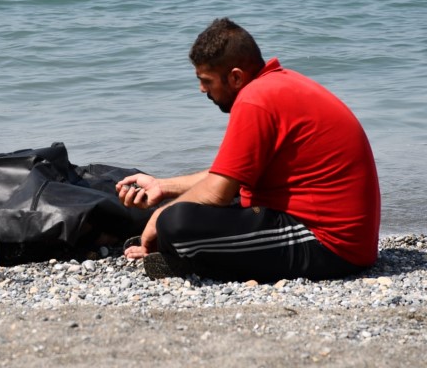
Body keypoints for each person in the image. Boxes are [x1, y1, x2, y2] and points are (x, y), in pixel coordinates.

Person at [116, 18, 380, 282]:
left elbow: (217, 193)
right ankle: (193, 255)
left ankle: (196, 264)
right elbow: (228, 175)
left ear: (235, 77)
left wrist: (161, 215)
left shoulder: (255, 100)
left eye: (206, 80)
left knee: (176, 222)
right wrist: (163, 187)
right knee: (214, 202)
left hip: (330, 244)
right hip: (335, 234)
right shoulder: (276, 85)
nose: (201, 89)